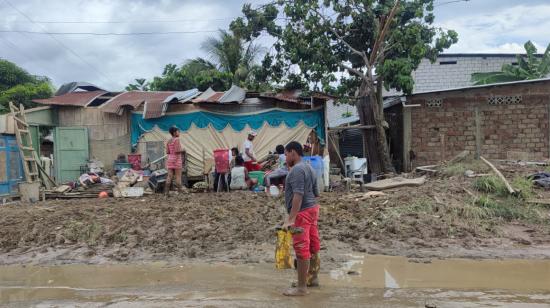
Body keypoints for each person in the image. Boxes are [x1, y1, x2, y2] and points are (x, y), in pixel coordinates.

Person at [282, 141, 321, 297]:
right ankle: (312, 278)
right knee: (313, 244)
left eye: (286, 154)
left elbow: (298, 195)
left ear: (293, 152)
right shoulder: (310, 167)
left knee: (301, 247)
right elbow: (316, 193)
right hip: (312, 209)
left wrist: (291, 218)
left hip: (302, 212)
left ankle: (302, 287)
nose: (285, 158)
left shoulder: (297, 170)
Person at [165, 126, 185, 196]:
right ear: (174, 133)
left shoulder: (168, 141)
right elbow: (177, 150)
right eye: (178, 131)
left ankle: (166, 193)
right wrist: (183, 150)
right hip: (177, 160)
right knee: (178, 177)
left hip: (170, 160)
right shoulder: (177, 139)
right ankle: (180, 193)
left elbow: (167, 151)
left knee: (169, 176)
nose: (179, 132)